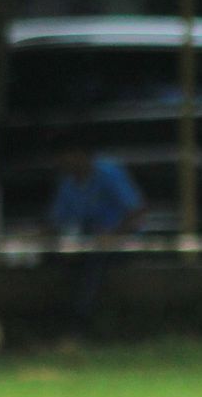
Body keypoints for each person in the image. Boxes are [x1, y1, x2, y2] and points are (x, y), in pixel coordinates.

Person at [48, 140, 145, 332]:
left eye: (66, 156)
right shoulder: (68, 183)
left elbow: (137, 211)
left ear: (79, 154)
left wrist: (112, 235)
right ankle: (53, 323)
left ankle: (81, 325)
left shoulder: (109, 173)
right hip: (88, 243)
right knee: (59, 259)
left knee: (94, 262)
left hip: (122, 241)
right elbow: (57, 221)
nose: (62, 162)